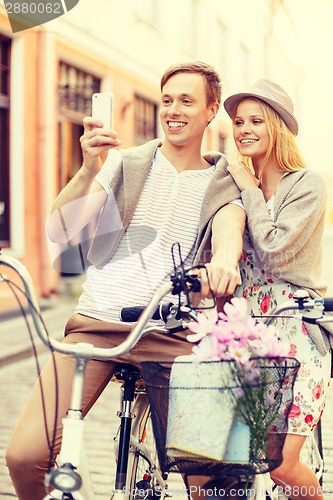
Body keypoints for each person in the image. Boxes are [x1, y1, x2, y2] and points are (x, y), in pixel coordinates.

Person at [6, 61, 245, 499]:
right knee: (24, 456)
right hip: (98, 325)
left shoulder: (224, 179)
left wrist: (224, 263)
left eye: (186, 101)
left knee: (209, 482)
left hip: (173, 333)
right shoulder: (124, 163)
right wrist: (87, 168)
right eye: (167, 100)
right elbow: (60, 230)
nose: (173, 110)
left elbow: (229, 232)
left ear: (212, 110)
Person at [223, 79, 332, 500]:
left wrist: (249, 190)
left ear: (278, 128)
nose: (244, 129)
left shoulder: (307, 183)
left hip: (298, 341)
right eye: (238, 121)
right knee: (242, 463)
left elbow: (274, 253)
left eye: (256, 120)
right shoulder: (235, 187)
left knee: (283, 466)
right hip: (249, 342)